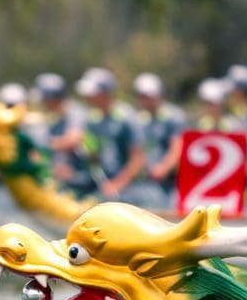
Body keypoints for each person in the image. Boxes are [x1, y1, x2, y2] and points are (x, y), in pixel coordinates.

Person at [73, 68, 156, 206]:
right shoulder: (93, 120)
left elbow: (138, 158)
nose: (87, 97)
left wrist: (117, 184)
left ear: (104, 93)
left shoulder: (126, 117)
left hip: (132, 187)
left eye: (92, 93)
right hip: (107, 184)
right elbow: (94, 156)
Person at [32, 72, 88, 192]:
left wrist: (44, 146)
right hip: (63, 181)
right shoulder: (54, 118)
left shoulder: (76, 112)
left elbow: (72, 141)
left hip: (83, 180)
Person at [132, 72, 184, 200]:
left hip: (170, 183)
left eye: (148, 96)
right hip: (146, 181)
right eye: (142, 96)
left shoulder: (173, 117)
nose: (145, 100)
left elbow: (177, 148)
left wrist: (163, 169)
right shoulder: (139, 119)